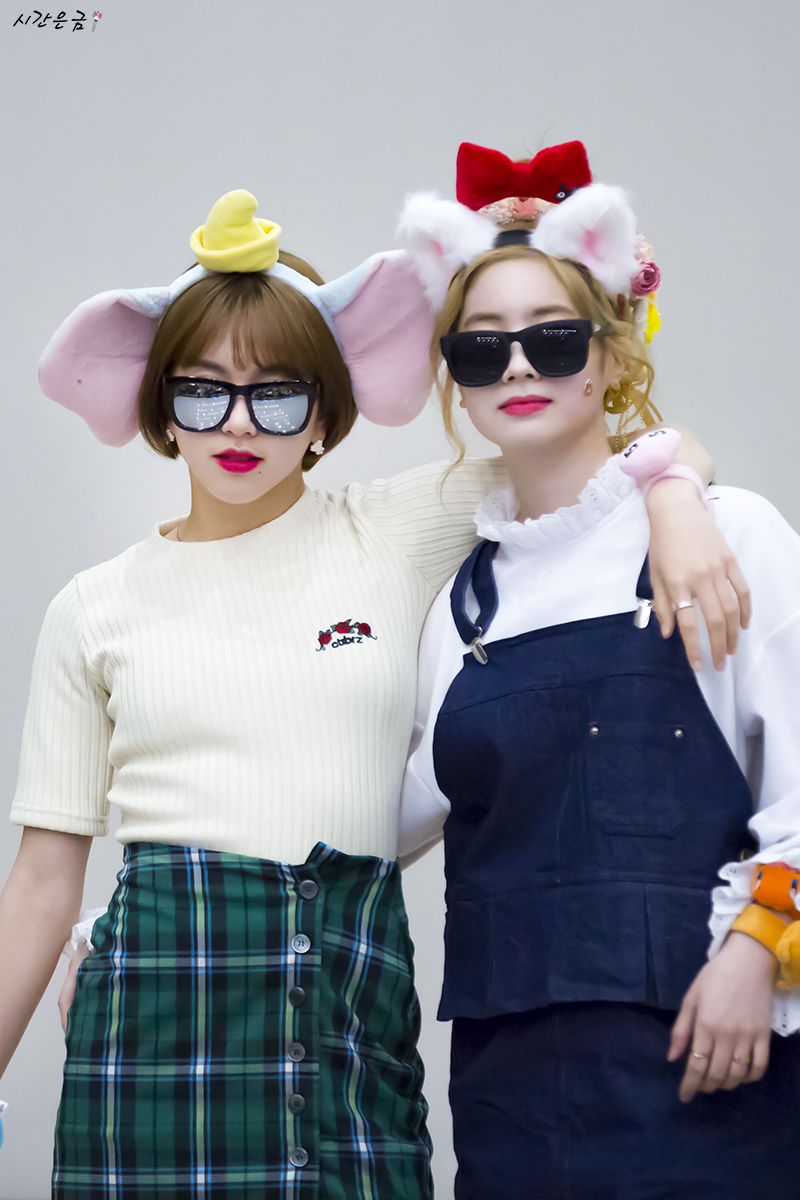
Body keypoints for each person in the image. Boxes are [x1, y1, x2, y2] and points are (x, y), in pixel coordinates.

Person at [0, 186, 744, 1200]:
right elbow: (40, 887)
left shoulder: (391, 530)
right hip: (155, 1011)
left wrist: (677, 497)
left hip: (346, 1006)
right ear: (158, 404)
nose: (237, 424)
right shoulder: (92, 607)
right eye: (201, 391)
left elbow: (604, 452)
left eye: (275, 394)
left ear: (326, 410)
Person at [398, 172, 800, 1199]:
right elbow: (373, 820)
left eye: (554, 338)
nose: (516, 365)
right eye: (480, 347)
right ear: (454, 379)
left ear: (613, 353)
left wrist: (756, 952)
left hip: (711, 1075)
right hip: (509, 1110)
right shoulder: (459, 608)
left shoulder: (723, 534)